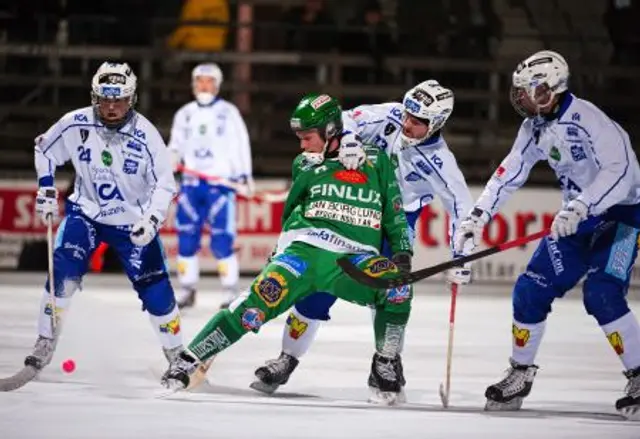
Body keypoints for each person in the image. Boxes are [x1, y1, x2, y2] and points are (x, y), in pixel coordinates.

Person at [161, 93, 413, 404]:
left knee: (398, 288)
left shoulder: (378, 162)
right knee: (254, 303)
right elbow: (292, 212)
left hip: (355, 258)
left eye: (307, 137)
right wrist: (282, 250)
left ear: (331, 130)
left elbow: (395, 214)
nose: (302, 145)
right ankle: (188, 360)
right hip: (304, 254)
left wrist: (403, 254)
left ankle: (385, 363)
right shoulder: (305, 163)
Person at [251, 80, 474, 394]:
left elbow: (462, 209)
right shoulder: (391, 115)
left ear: (436, 123)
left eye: (417, 121)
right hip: (352, 206)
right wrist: (350, 140)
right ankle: (287, 357)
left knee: (392, 290)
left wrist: (461, 254)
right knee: (315, 282)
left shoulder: (441, 163)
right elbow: (343, 118)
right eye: (407, 113)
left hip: (396, 219)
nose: (406, 123)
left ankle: (386, 360)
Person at [453, 50, 640, 420]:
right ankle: (520, 373)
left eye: (530, 91)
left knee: (601, 294)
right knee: (530, 288)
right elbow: (510, 172)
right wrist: (478, 215)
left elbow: (624, 172)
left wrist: (583, 205)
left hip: (621, 218)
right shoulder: (533, 127)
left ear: (552, 89)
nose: (521, 98)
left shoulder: (590, 119)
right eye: (519, 91)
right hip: (576, 219)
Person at [29, 61, 183, 374]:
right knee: (62, 268)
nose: (112, 108)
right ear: (94, 97)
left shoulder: (148, 136)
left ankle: (177, 353)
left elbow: (165, 184)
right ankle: (45, 338)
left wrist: (152, 220)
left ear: (132, 99)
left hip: (133, 223)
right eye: (105, 100)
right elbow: (44, 149)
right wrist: (46, 189)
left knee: (155, 285)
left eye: (120, 100)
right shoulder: (75, 123)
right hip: (85, 213)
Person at [168, 63, 253, 310]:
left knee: (223, 240)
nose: (204, 85)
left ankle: (230, 291)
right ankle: (187, 289)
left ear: (217, 84)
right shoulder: (184, 113)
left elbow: (241, 145)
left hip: (220, 186)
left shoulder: (229, 112)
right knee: (186, 239)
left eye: (209, 81)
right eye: (200, 81)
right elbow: (175, 145)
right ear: (194, 84)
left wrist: (244, 176)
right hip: (192, 186)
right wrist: (171, 158)